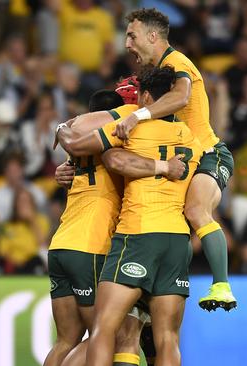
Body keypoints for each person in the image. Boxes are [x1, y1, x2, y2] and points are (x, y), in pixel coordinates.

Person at [55, 66, 200, 366]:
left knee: (106, 330)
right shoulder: (190, 136)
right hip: (175, 239)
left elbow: (98, 151)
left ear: (145, 98)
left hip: (129, 236)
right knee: (164, 338)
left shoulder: (129, 127)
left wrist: (61, 131)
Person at [112, 8, 236, 311]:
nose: (127, 43)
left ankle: (222, 285)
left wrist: (138, 116)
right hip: (181, 163)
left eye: (132, 35)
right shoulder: (156, 76)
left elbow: (181, 97)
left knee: (196, 209)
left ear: (153, 37)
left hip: (209, 155)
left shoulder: (178, 62)